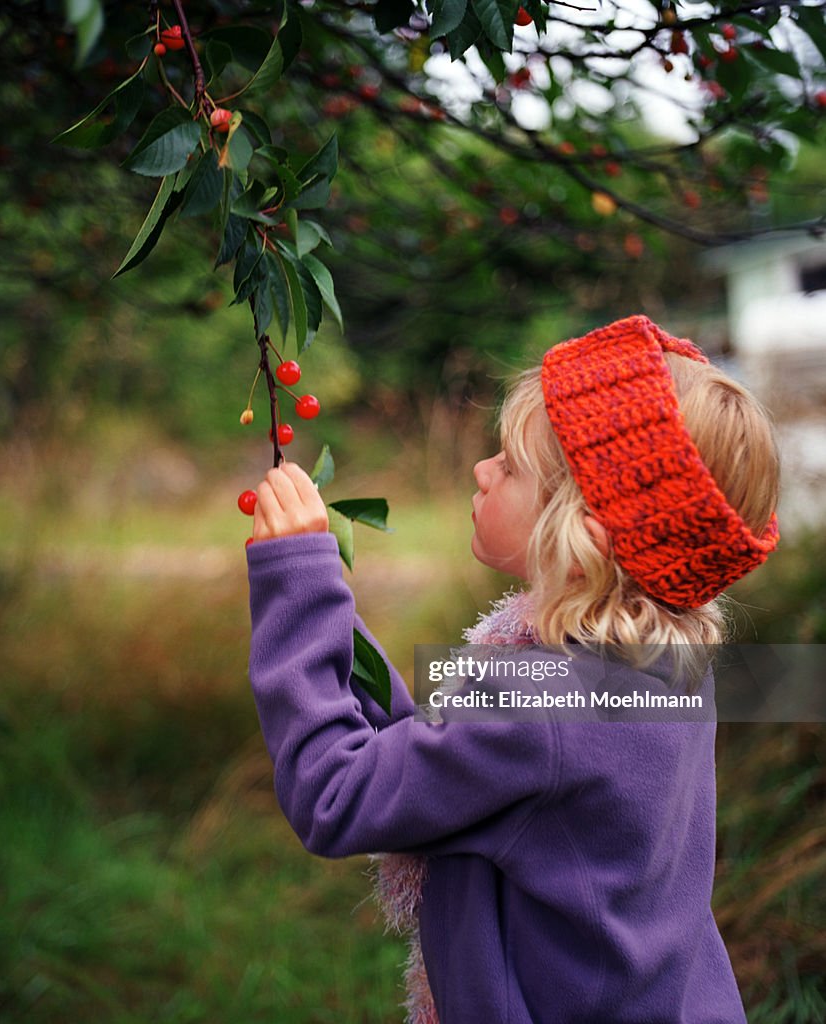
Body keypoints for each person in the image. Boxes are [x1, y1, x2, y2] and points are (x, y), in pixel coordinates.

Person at [244, 315, 780, 1024]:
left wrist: (294, 582)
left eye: (510, 464)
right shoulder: (657, 666)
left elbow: (336, 795)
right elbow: (436, 758)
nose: (481, 469)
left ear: (582, 535)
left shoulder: (545, 707)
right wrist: (328, 609)